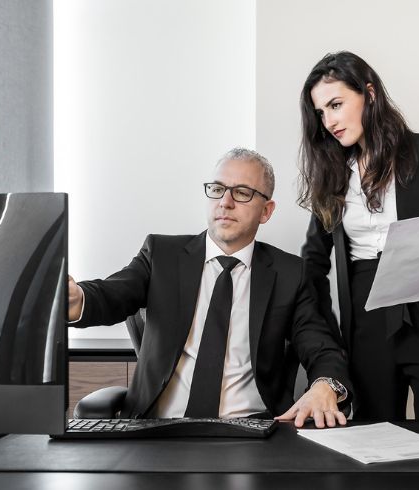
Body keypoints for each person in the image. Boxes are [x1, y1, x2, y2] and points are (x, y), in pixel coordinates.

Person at [68, 148, 352, 428]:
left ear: (266, 211)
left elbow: (321, 348)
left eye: (242, 193)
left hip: (251, 433)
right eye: (217, 189)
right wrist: (77, 299)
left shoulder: (290, 273)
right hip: (157, 430)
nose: (225, 202)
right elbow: (113, 294)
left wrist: (325, 386)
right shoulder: (161, 255)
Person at [298, 51, 419, 421]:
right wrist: (329, 337)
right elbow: (313, 265)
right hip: (366, 324)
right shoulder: (331, 174)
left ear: (369, 94)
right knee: (375, 443)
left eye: (336, 105)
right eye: (321, 113)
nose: (329, 121)